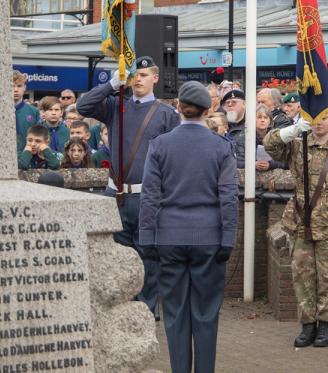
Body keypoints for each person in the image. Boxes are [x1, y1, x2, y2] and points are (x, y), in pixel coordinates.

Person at [139, 81, 238, 373]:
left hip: (168, 236)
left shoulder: (159, 145)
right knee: (206, 314)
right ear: (209, 111)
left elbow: (149, 197)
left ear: (179, 108)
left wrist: (147, 238)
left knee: (174, 313)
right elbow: (229, 198)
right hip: (209, 237)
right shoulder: (221, 146)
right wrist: (228, 238)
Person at [76, 55, 180, 321]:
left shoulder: (166, 114)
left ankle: (146, 307)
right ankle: (124, 305)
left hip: (148, 194)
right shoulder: (115, 105)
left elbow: (173, 158)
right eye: (135, 75)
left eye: (144, 75)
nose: (138, 80)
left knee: (147, 253)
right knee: (119, 254)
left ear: (155, 78)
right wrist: (111, 85)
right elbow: (83, 106)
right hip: (116, 193)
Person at [263, 112, 328, 348]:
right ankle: (308, 325)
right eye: (313, 117)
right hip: (300, 220)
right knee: (302, 276)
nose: (318, 122)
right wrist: (294, 129)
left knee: (327, 277)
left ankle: (325, 325)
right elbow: (269, 144)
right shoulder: (297, 146)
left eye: (324, 117)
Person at [234, 105, 287, 171]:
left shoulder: (278, 138)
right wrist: (254, 164)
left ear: (270, 121)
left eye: (265, 117)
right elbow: (238, 162)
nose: (262, 120)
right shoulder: (243, 139)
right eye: (259, 117)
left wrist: (270, 164)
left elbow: (286, 162)